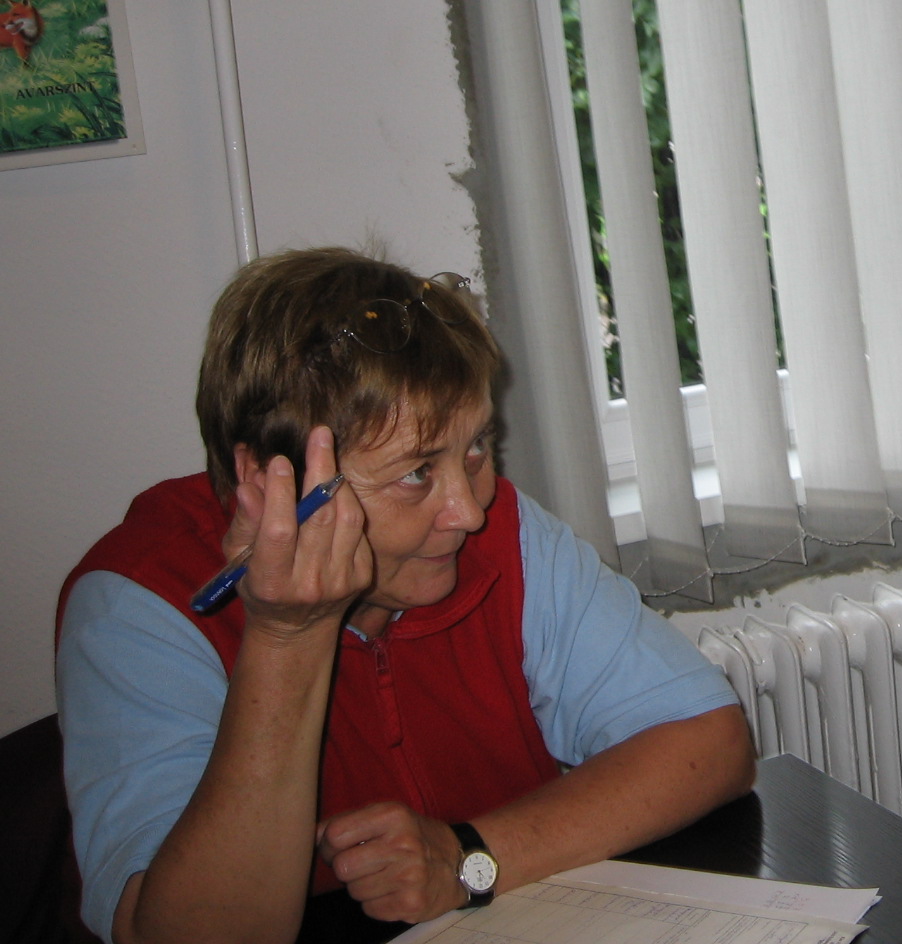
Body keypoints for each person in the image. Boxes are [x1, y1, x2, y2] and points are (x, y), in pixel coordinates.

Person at [56, 247, 755, 944]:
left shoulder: (503, 535)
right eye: (416, 472)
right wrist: (288, 637)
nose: (468, 511)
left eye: (476, 446)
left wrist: (468, 858)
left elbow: (707, 741)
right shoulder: (138, 603)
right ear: (272, 481)